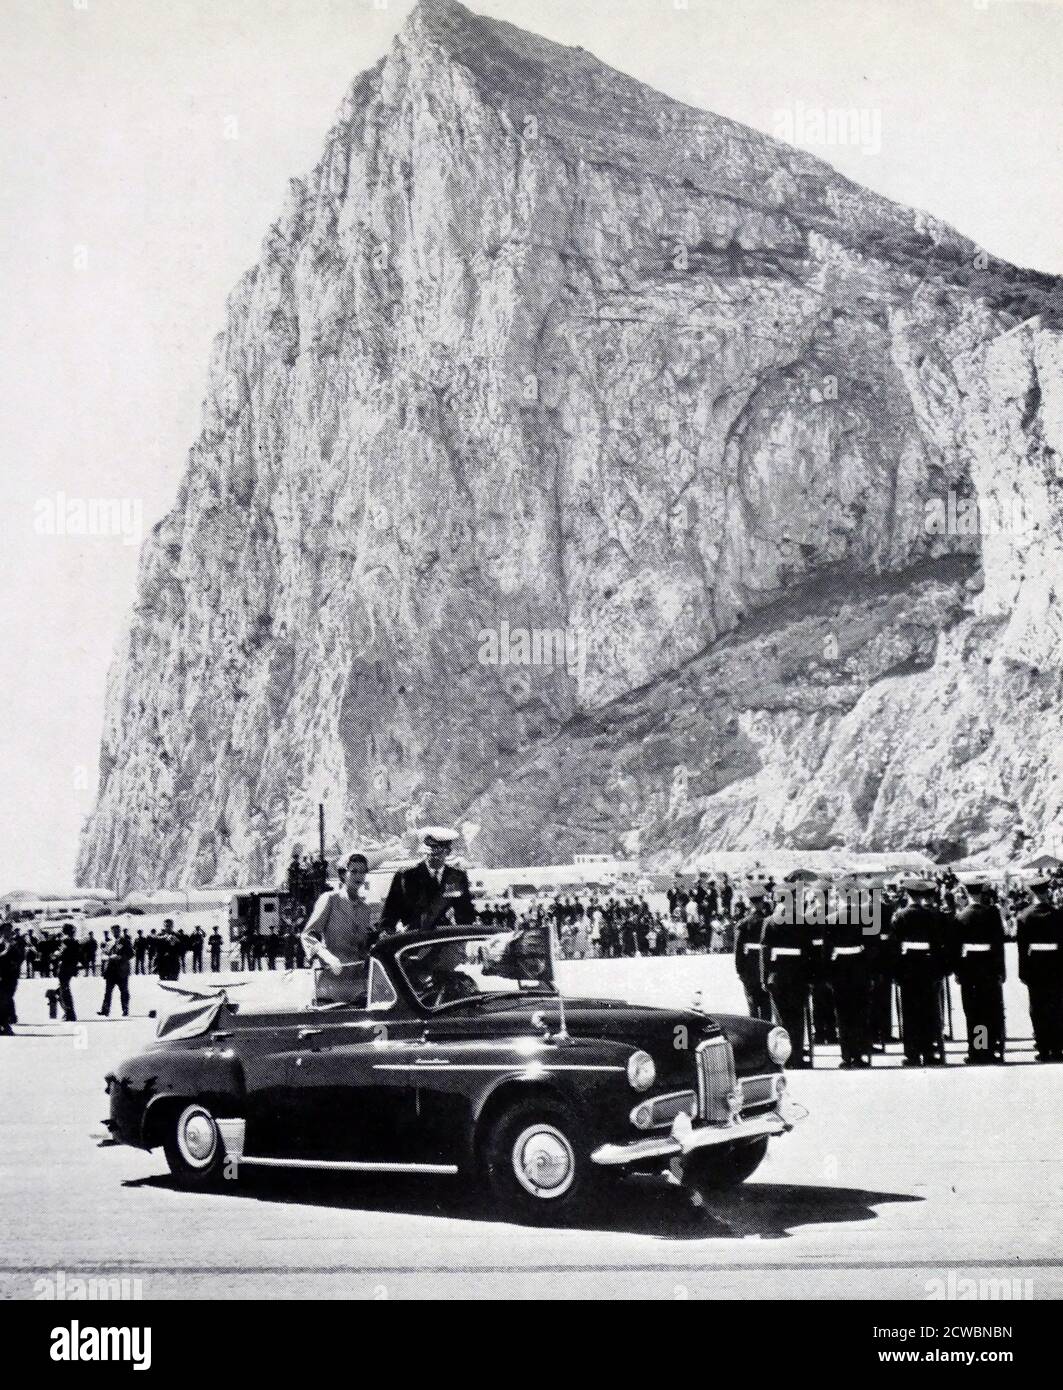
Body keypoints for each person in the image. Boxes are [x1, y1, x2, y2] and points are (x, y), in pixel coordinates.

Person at [302, 853, 373, 1004]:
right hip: (329, 985)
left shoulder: (365, 909)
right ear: (342, 874)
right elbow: (308, 935)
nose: (359, 876)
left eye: (363, 872)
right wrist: (327, 956)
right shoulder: (330, 899)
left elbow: (362, 947)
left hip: (356, 986)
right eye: (353, 871)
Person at [892, 880, 949, 1067]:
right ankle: (930, 1051)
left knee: (910, 1013)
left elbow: (894, 947)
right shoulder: (932, 916)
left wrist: (896, 973)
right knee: (929, 1012)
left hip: (908, 968)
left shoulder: (900, 916)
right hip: (928, 967)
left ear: (907, 894)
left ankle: (912, 1054)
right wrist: (940, 970)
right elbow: (940, 945)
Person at [378, 828, 476, 935]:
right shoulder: (406, 876)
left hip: (445, 940)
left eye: (437, 853)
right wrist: (386, 932)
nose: (431, 857)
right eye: (427, 852)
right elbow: (390, 912)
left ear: (447, 852)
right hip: (414, 940)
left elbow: (466, 914)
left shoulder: (456, 877)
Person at [952, 877, 1006, 1064]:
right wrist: (1001, 970)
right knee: (989, 1009)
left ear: (966, 893)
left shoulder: (960, 916)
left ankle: (977, 1050)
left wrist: (958, 972)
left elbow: (956, 949)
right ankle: (989, 1049)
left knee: (973, 1011)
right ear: (981, 893)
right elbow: (999, 945)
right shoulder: (992, 914)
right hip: (989, 968)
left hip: (969, 969)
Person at [762, 884, 813, 1067]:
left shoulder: (769, 921)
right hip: (798, 976)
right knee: (797, 1018)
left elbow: (765, 953)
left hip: (777, 977)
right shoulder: (801, 920)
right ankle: (797, 1057)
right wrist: (810, 978)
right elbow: (809, 952)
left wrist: (764, 978)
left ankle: (785, 1058)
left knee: (781, 1019)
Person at [825, 880, 872, 1068]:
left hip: (839, 972)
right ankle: (860, 1055)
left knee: (842, 1015)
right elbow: (871, 949)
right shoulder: (866, 918)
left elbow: (826, 952)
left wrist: (828, 975)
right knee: (860, 1014)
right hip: (859, 970)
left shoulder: (830, 919)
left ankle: (846, 1056)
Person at [1016, 876, 1063, 1062]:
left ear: (1031, 892)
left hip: (1035, 967)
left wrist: (1023, 972)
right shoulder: (1059, 914)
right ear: (1047, 891)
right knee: (1057, 1006)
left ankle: (1043, 1048)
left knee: (1038, 1007)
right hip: (1057, 966)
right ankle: (1058, 1047)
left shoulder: (1024, 916)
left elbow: (1021, 949)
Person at [734, 882, 772, 1021]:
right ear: (762, 902)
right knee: (766, 1004)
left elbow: (738, 950)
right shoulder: (768, 921)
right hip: (764, 966)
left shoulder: (743, 923)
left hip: (749, 967)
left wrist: (739, 971)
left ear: (750, 903)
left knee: (752, 1005)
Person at [408, 938, 479, 1008]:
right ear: (440, 952)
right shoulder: (409, 979)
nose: (464, 958)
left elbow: (475, 1006)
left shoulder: (460, 980)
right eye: (460, 950)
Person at [98, 924, 133, 1017]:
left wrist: (121, 957)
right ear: (111, 931)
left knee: (124, 991)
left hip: (122, 970)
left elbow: (131, 954)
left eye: (117, 930)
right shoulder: (108, 942)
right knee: (108, 991)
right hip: (110, 971)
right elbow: (103, 954)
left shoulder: (125, 941)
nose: (115, 932)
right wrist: (108, 957)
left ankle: (125, 1009)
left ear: (120, 931)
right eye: (113, 930)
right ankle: (105, 1010)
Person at [0, 921, 25, 1035]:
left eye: (10, 930)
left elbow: (20, 958)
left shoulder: (16, 944)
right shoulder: (1, 944)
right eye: (6, 930)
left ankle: (6, 1024)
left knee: (7, 999)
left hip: (11, 976)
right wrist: (6, 952)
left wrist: (15, 962)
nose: (8, 932)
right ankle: (4, 1025)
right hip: (1, 975)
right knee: (3, 1000)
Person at [55, 923, 81, 1023]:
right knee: (63, 989)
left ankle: (69, 1013)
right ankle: (69, 1012)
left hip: (64, 967)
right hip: (71, 967)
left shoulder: (66, 940)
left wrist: (56, 954)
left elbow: (61, 952)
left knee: (64, 990)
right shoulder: (75, 941)